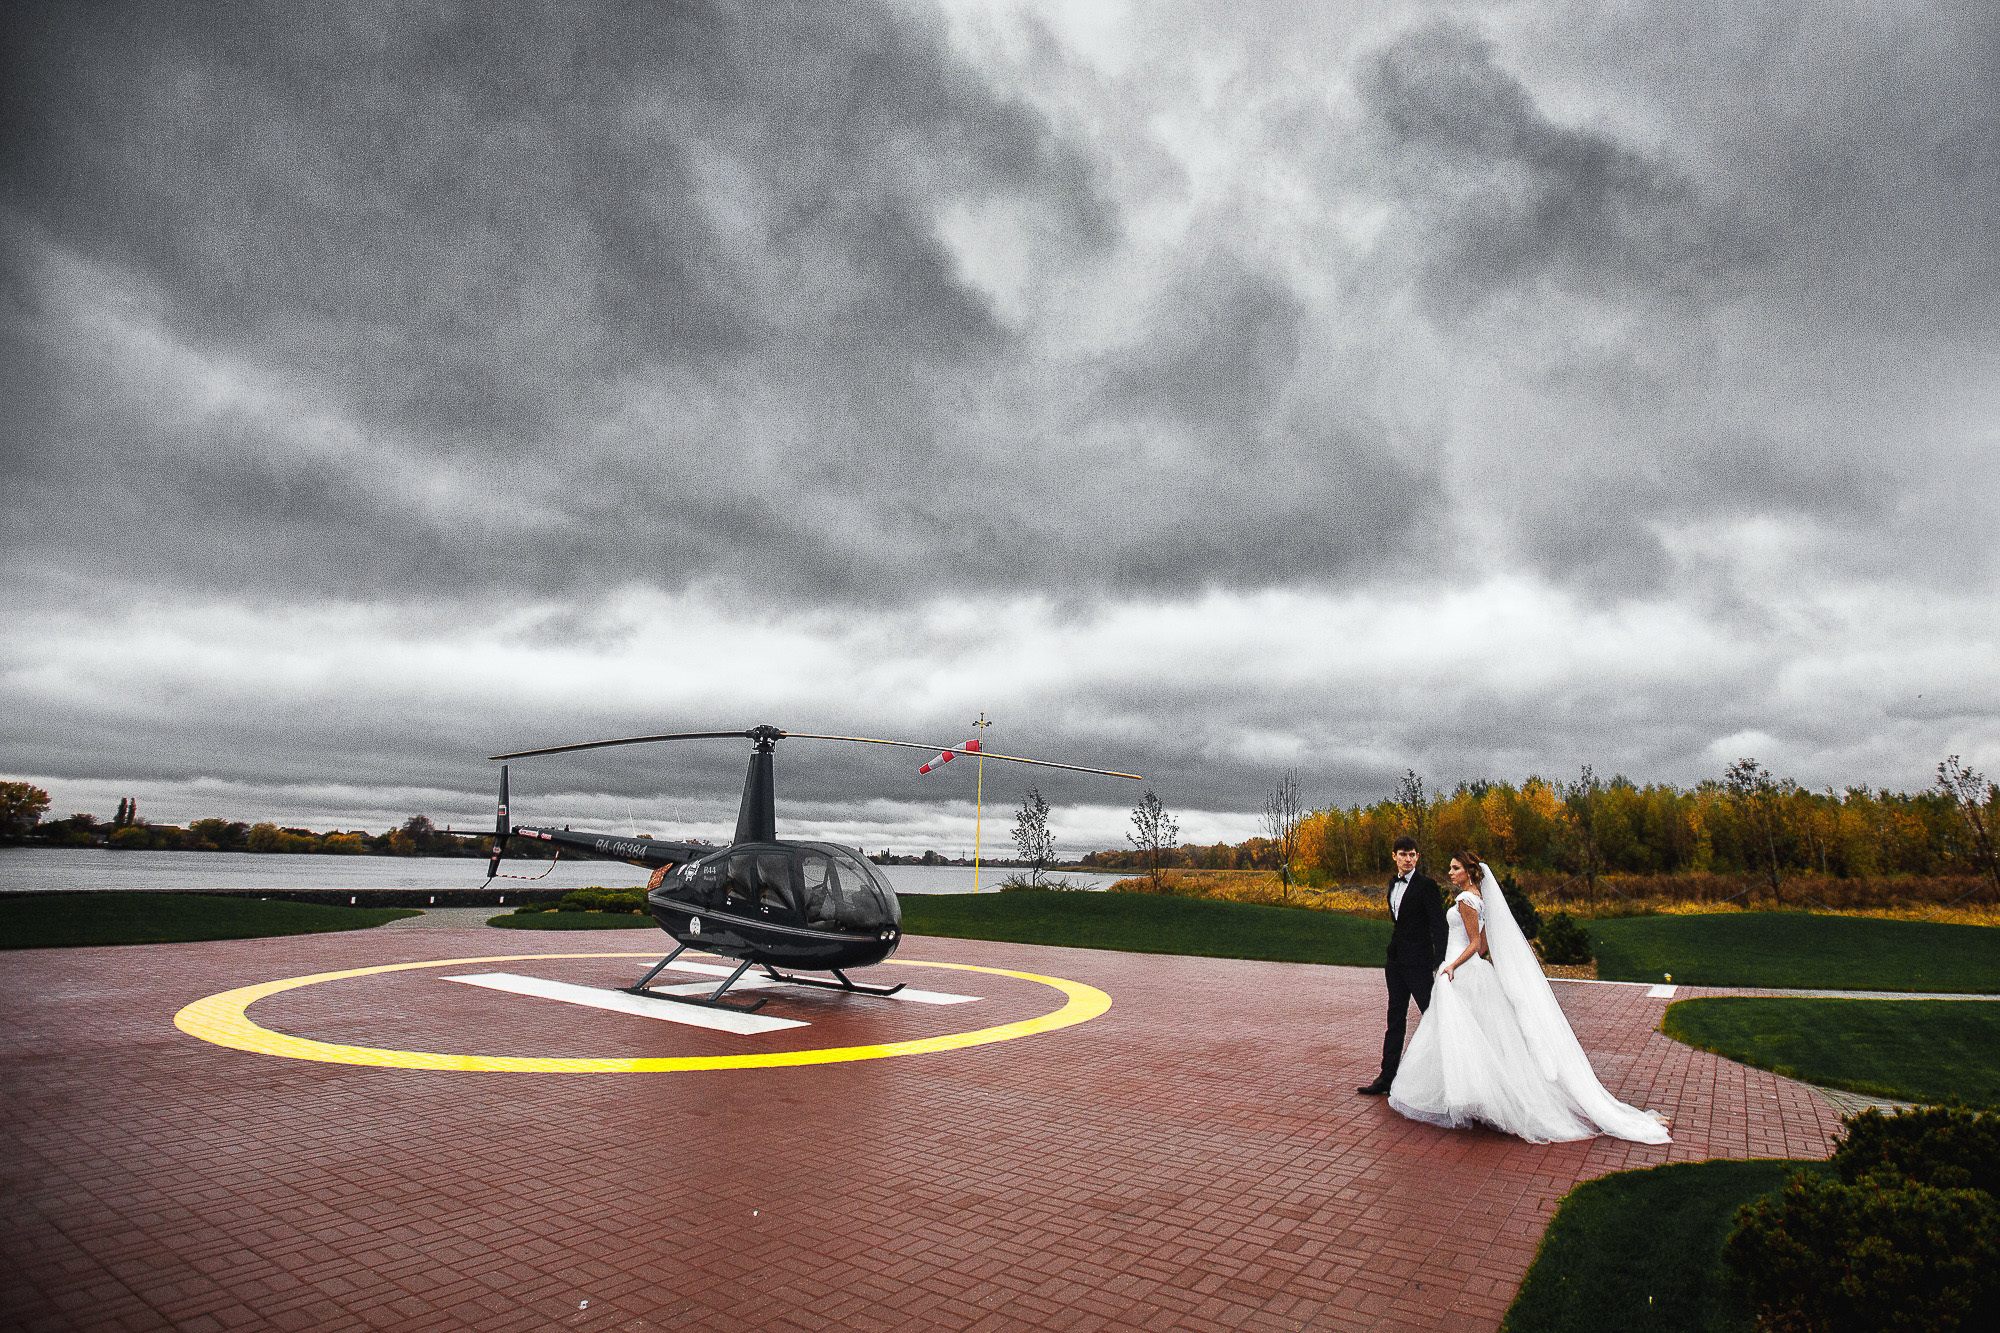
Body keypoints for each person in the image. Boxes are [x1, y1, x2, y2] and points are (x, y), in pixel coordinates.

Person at [1387, 851, 1671, 1144]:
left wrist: (1452, 966)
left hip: (1460, 973)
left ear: (1469, 873)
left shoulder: (1464, 900)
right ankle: (1473, 1096)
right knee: (1475, 1036)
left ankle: (1468, 1097)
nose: (1450, 872)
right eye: (1450, 868)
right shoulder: (1479, 899)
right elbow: (1483, 946)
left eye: (1455, 868)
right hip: (1471, 970)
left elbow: (1474, 943)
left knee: (1460, 1036)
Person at [1357, 836, 1448, 1096]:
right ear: (1394, 856)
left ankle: (1448, 1076)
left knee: (1433, 1016)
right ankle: (1386, 1077)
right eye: (1403, 854)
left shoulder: (1427, 886)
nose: (1408, 859)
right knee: (1395, 1018)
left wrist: (1440, 961)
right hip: (1396, 962)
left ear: (1418, 857)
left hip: (1419, 963)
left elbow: (1438, 925)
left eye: (1412, 854)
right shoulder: (1392, 883)